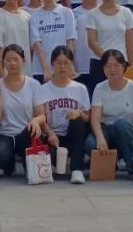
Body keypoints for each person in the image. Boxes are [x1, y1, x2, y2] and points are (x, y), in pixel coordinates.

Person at [31, 45, 90, 183]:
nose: (62, 67)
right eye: (58, 63)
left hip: (72, 135)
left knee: (78, 122)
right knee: (51, 156)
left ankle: (77, 170)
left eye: (66, 63)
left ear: (71, 64)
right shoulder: (43, 89)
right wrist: (50, 133)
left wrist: (79, 113)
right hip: (53, 136)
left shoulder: (80, 88)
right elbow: (40, 117)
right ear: (52, 64)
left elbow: (88, 117)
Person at [89, 49, 133, 177]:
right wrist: (100, 137)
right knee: (90, 144)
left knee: (121, 124)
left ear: (124, 66)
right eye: (108, 66)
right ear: (103, 69)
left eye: (116, 65)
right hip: (107, 129)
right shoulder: (99, 87)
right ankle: (111, 165)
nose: (112, 69)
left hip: (127, 131)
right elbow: (95, 117)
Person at [0, 44, 39, 176]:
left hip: (26, 133)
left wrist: (35, 120)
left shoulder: (33, 85)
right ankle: (9, 165)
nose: (12, 63)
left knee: (29, 134)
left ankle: (28, 164)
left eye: (16, 59)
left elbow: (42, 114)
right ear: (3, 62)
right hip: (5, 134)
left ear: (23, 60)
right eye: (8, 60)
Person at [85, 0, 133, 91]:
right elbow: (92, 42)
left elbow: (130, 43)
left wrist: (132, 65)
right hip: (99, 62)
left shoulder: (126, 12)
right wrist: (108, 60)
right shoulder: (92, 14)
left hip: (121, 63)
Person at [30, 0, 77, 83]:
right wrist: (46, 69)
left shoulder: (66, 12)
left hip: (63, 67)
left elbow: (70, 40)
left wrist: (70, 64)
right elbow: (36, 43)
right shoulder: (35, 15)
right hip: (41, 70)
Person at [0, 0, 33, 76]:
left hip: (25, 70)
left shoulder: (27, 16)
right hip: (6, 71)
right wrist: (2, 72)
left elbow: (31, 47)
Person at [71, 0, 100, 97]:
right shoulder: (72, 14)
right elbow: (70, 41)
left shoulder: (104, 12)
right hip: (79, 68)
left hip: (100, 66)